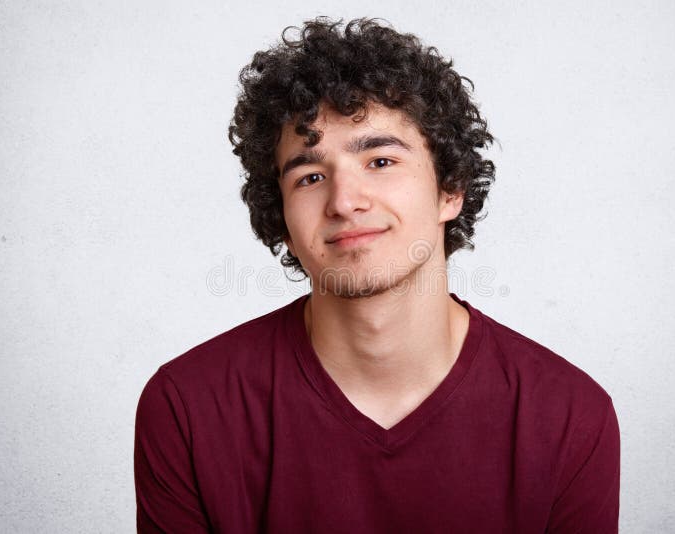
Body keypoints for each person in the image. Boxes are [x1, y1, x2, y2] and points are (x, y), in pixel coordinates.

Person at [134, 17, 620, 533]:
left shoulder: (570, 417)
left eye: (381, 161)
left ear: (450, 189)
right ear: (281, 213)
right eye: (311, 176)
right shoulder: (187, 408)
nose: (344, 202)